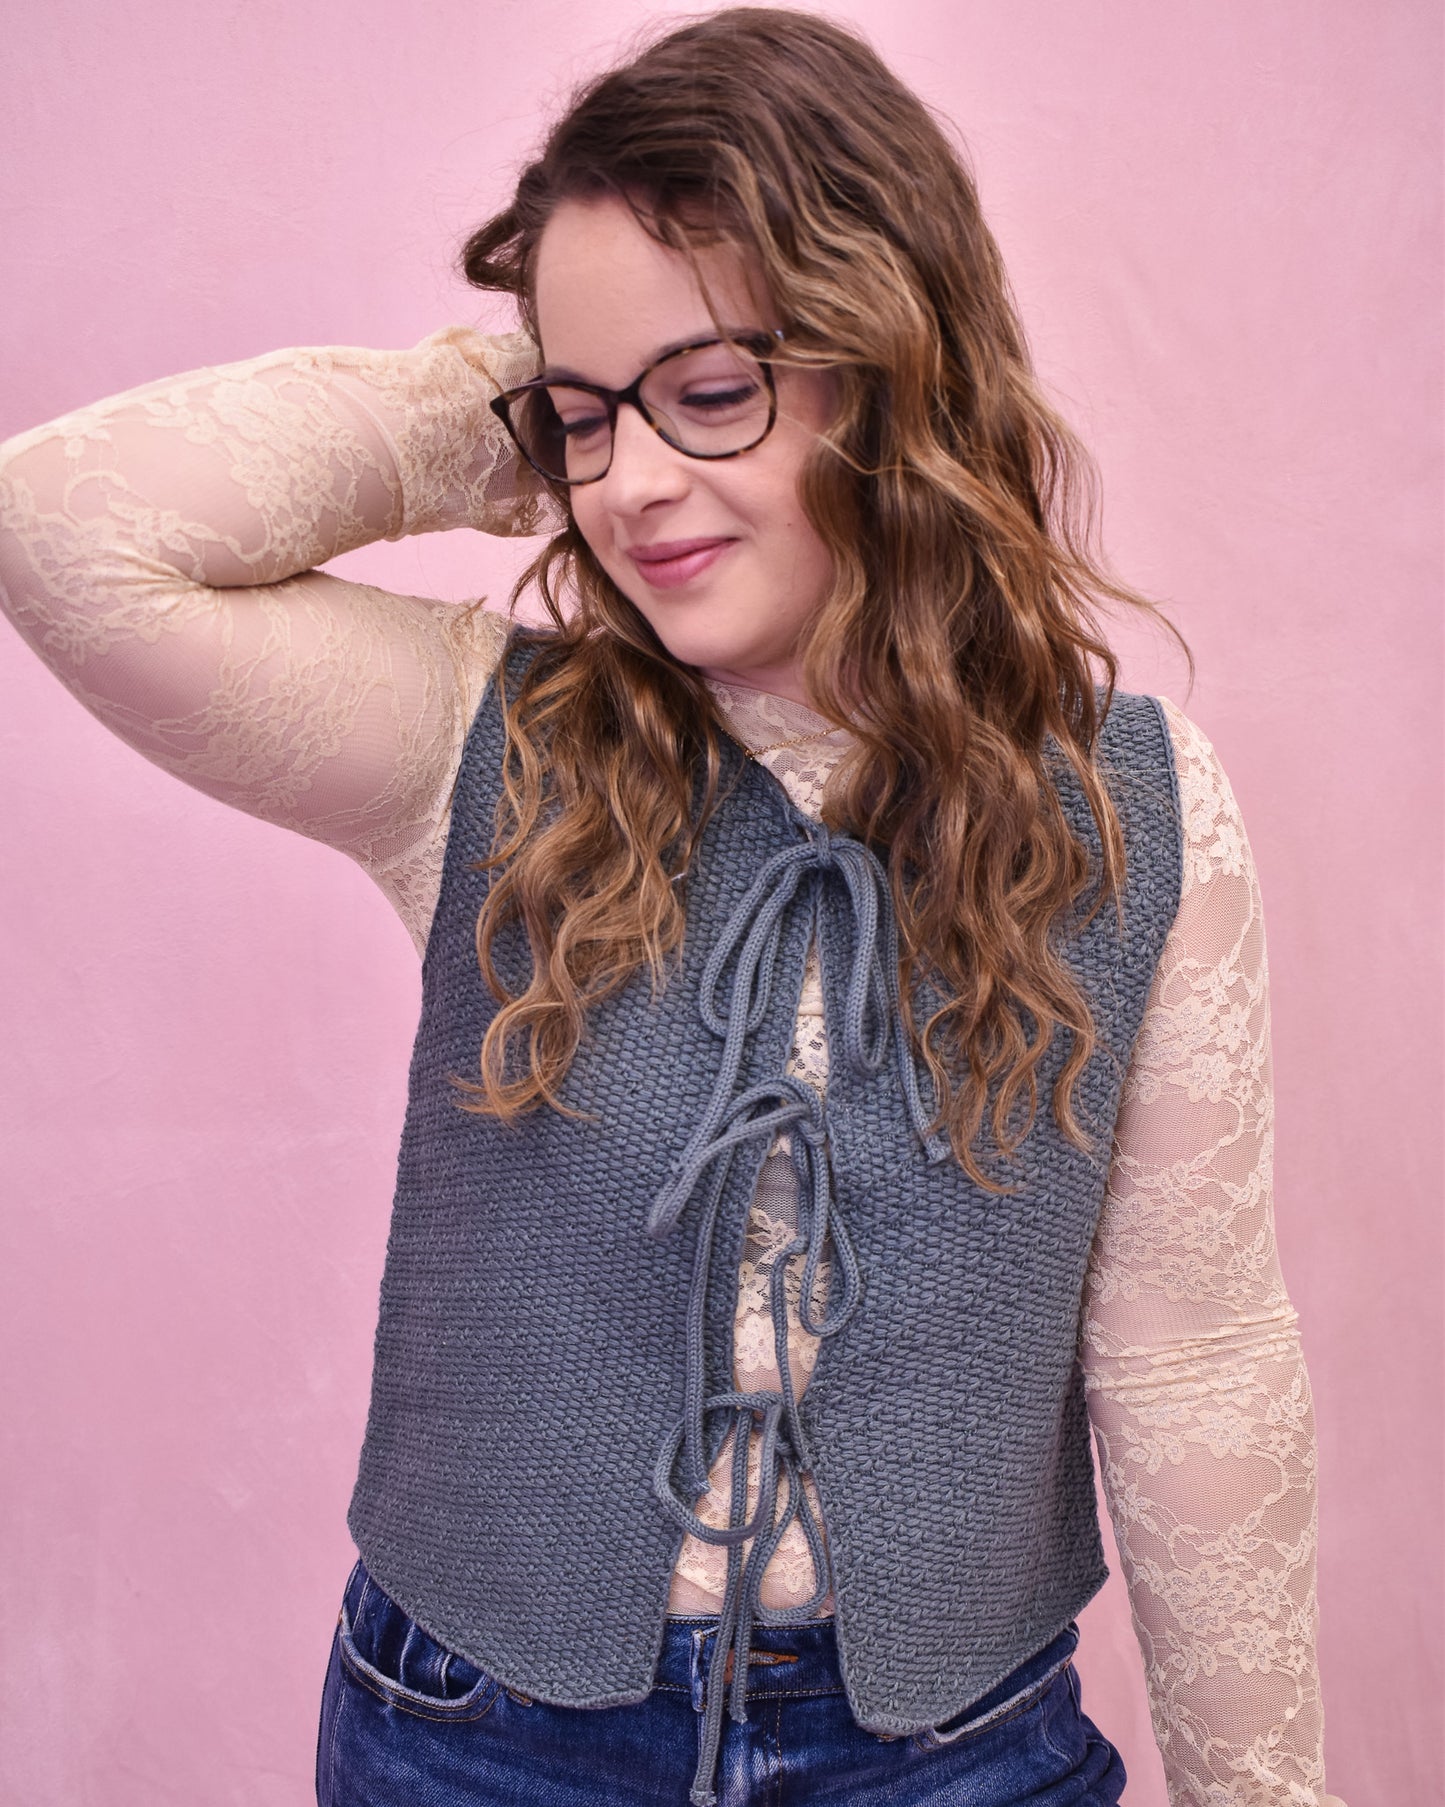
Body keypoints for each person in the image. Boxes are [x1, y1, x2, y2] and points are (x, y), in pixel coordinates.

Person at [0, 9, 1347, 1806]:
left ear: (897, 371)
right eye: (580, 423)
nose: (627, 487)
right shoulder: (474, 740)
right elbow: (63, 527)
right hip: (476, 1738)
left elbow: (1193, 1358)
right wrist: (542, 394)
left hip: (951, 1755)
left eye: (711, 393)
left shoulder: (1134, 806)